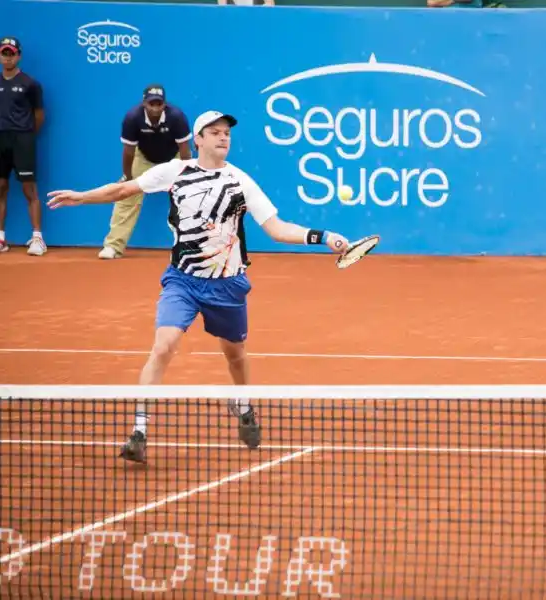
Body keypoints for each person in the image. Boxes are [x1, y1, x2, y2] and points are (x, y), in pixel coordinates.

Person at [46, 110, 351, 464]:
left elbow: (277, 229)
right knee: (164, 346)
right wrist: (82, 197)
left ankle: (243, 404)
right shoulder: (174, 172)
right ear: (198, 139)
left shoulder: (241, 182)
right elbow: (124, 188)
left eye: (227, 133)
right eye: (215, 132)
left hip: (228, 285)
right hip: (183, 281)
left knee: (235, 356)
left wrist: (323, 236)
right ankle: (139, 432)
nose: (224, 138)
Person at [99, 84, 192, 259]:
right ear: (144, 103)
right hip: (143, 158)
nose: (155, 108)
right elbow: (128, 151)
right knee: (126, 195)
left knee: (189, 196)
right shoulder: (132, 118)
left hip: (174, 157)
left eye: (159, 104)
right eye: (151, 104)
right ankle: (113, 246)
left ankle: (191, 247)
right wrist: (127, 177)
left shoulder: (176, 117)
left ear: (164, 104)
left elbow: (185, 151)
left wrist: (188, 176)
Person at [0, 36, 46, 255]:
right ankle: (0, 238)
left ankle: (37, 238)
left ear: (18, 56)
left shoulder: (30, 84)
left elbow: (38, 115)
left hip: (23, 140)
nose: (7, 57)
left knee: (29, 190)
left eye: (11, 53)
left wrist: (26, 135)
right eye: (4, 53)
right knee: (0, 188)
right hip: (0, 140)